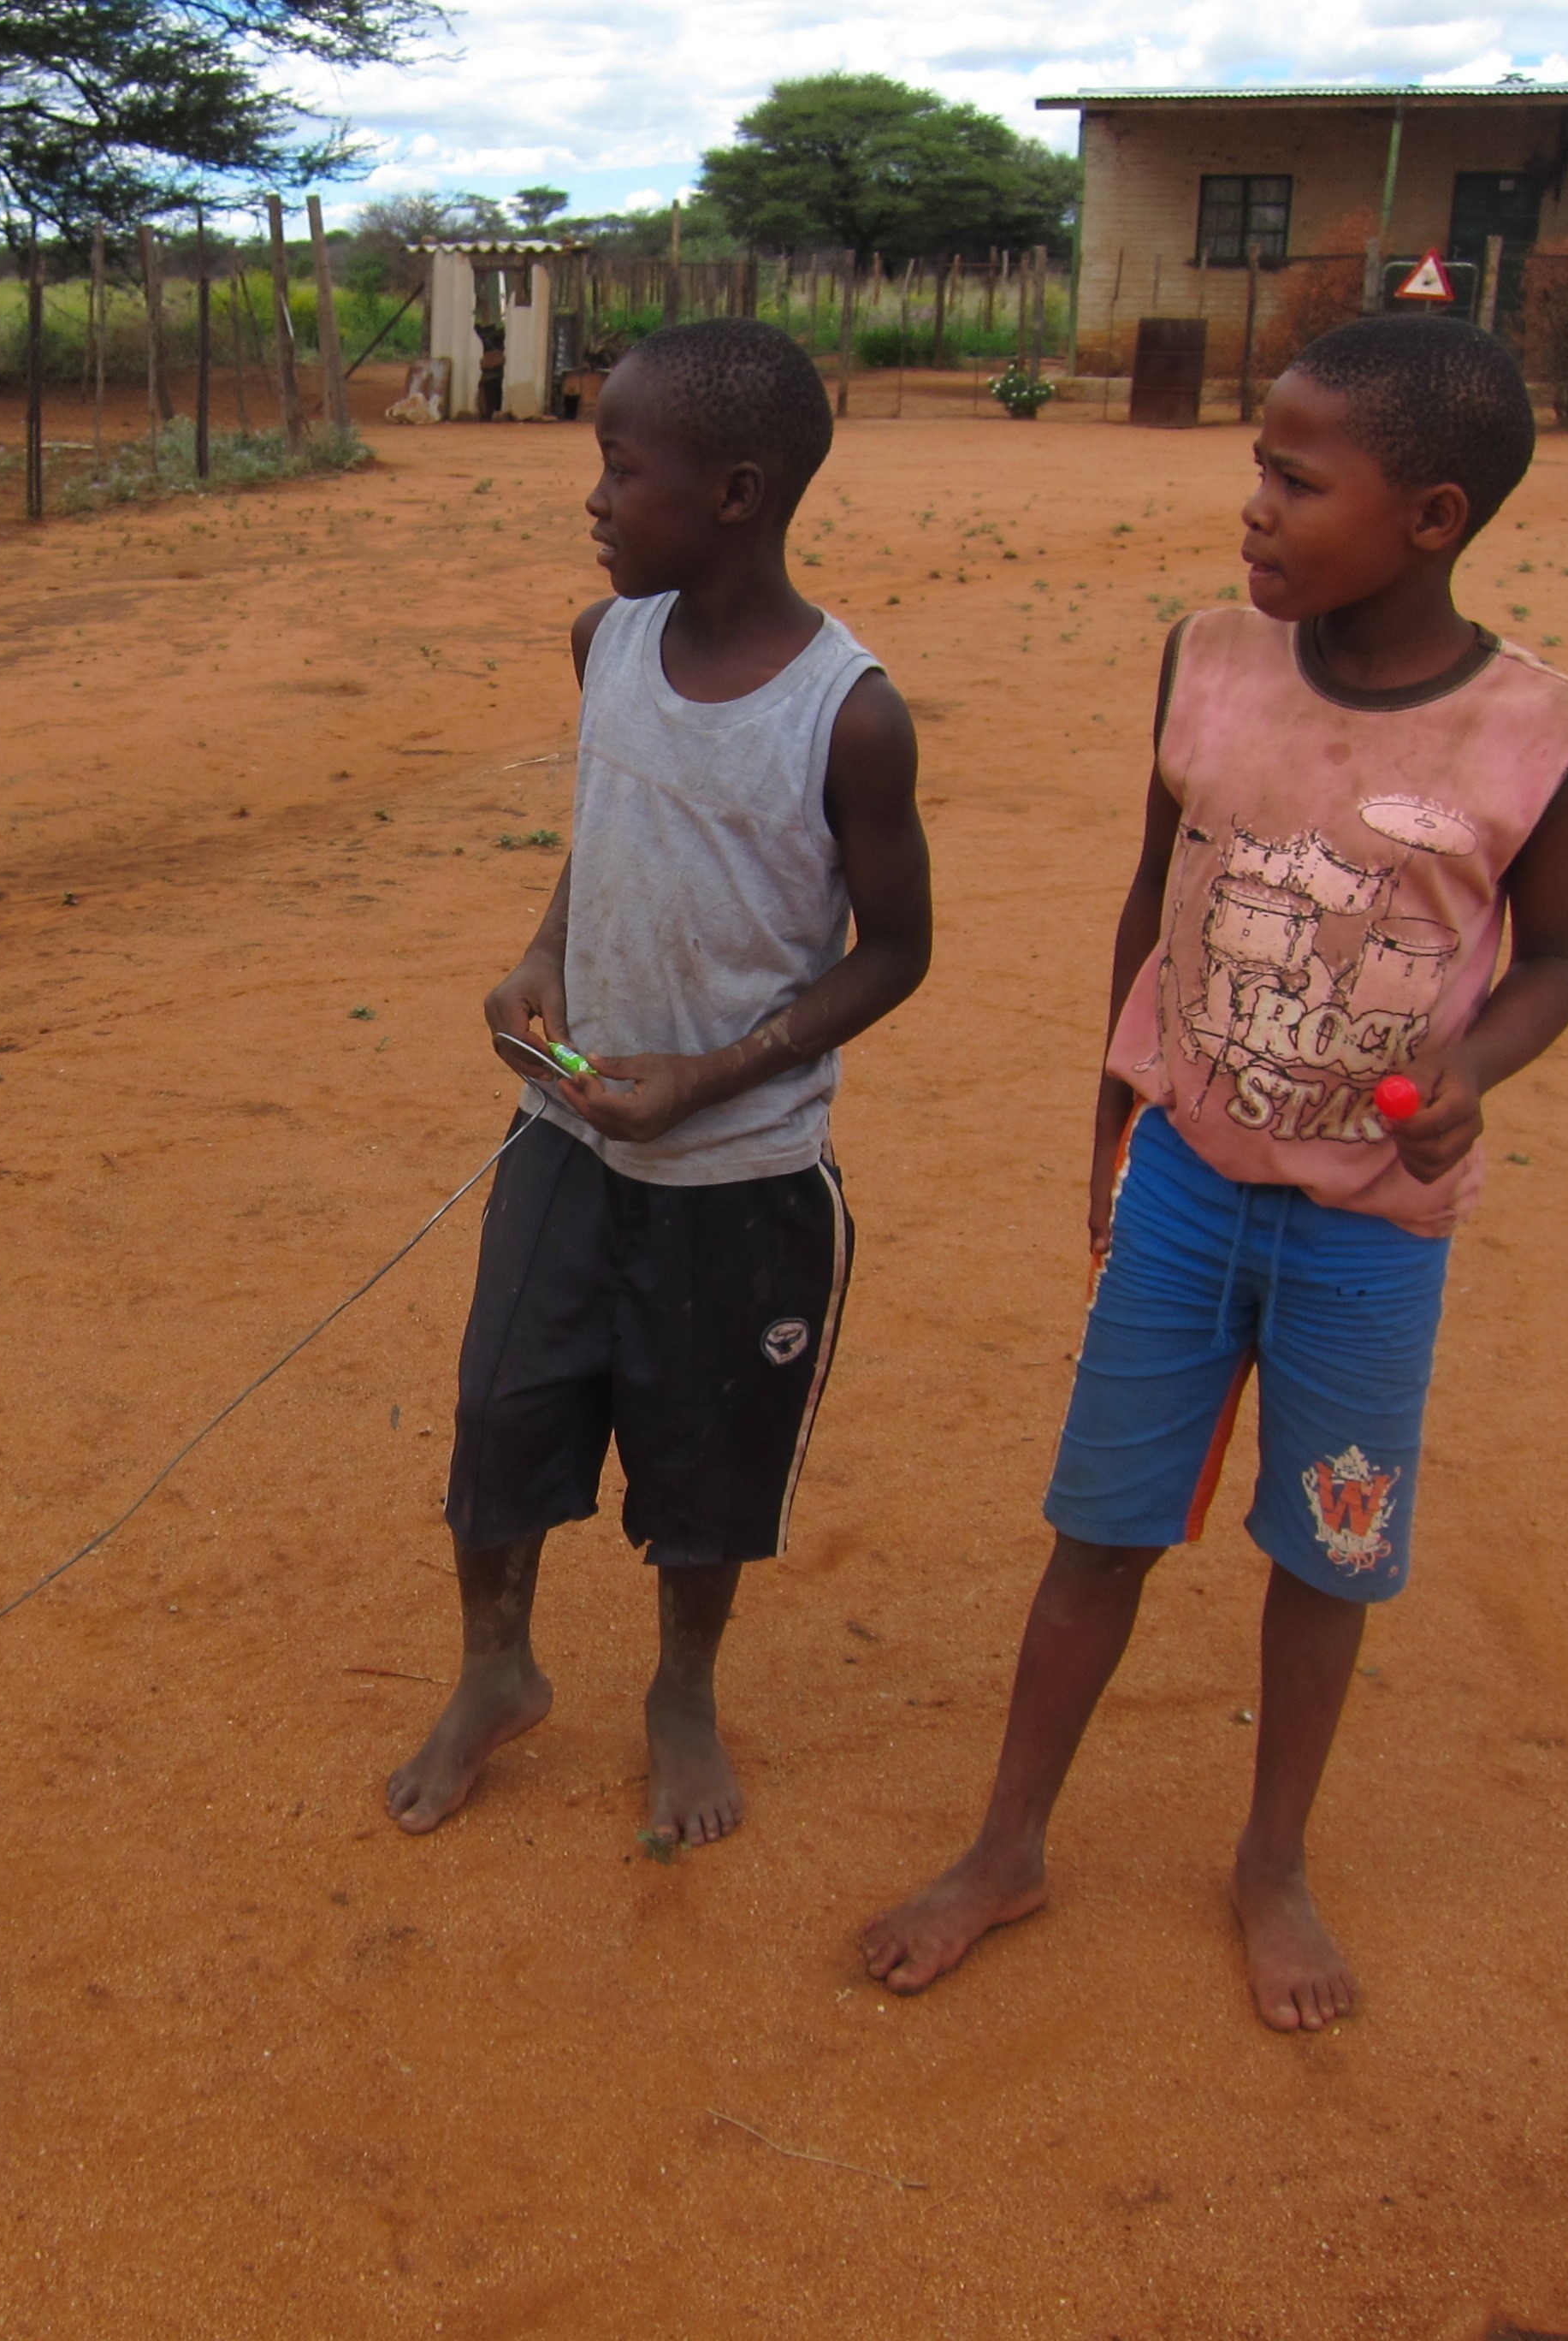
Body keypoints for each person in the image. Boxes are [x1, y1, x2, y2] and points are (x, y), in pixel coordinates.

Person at [860, 315, 1568, 2029]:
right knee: (1096, 1530)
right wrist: (1111, 1111)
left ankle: (1271, 1863)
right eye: (1254, 468)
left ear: (1429, 516)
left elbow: (1557, 956)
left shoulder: (1539, 730)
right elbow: (1154, 885)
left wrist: (1474, 1073)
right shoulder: (1205, 658)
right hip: (1191, 1191)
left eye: (1294, 477)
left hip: (1373, 1236)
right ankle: (1007, 1847)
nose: (1253, 506)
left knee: (1327, 1559)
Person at [384, 319, 933, 1852]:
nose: (598, 500)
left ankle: (683, 1687)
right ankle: (498, 1668)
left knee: (708, 1454)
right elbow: (608, 831)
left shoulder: (848, 714)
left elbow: (894, 953)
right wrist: (540, 956)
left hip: (739, 1174)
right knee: (500, 1410)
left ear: (739, 492)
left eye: (625, 471)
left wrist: (710, 1076)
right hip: (566, 1133)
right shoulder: (604, 642)